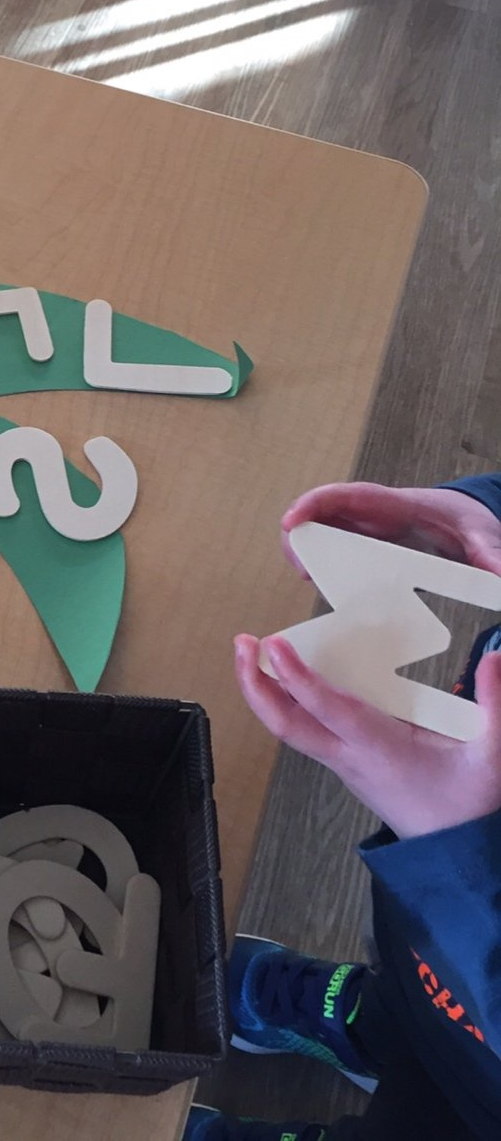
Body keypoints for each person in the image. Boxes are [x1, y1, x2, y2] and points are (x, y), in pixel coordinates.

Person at [186, 476, 501, 1141]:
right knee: (417, 991)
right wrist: (478, 517)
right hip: (443, 927)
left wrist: (462, 855)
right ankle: (366, 1022)